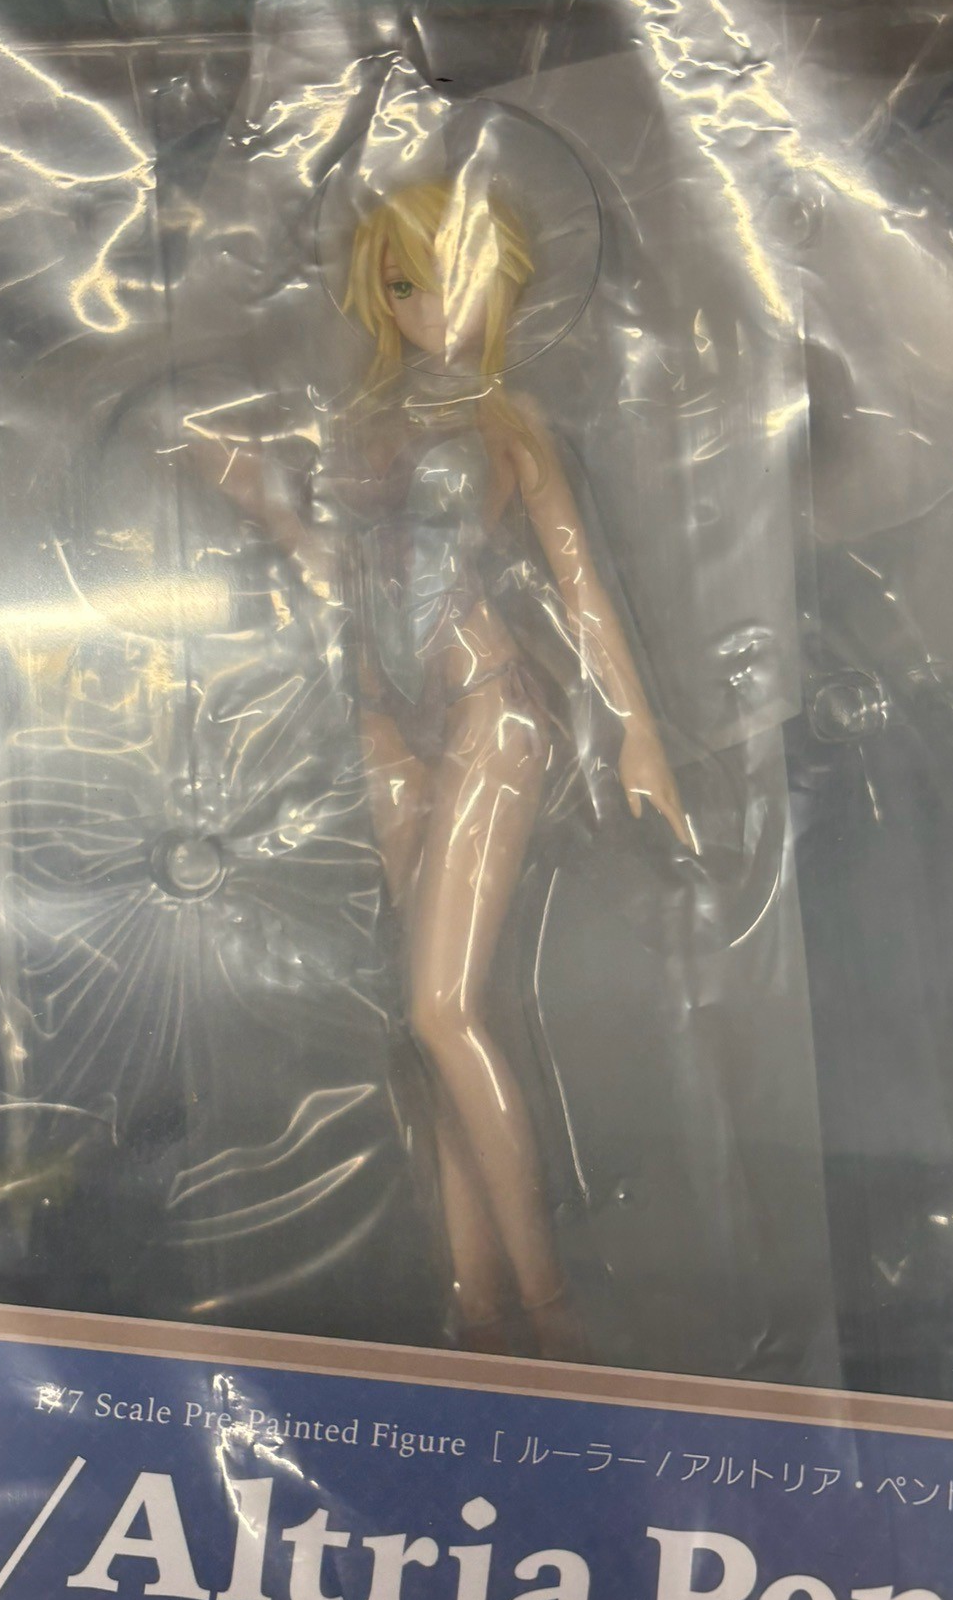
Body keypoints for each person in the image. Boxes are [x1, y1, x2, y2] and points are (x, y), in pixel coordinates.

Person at [201, 175, 690, 1359]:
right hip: (384, 725)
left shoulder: (509, 424)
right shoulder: (353, 422)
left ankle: (549, 1307)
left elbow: (578, 585)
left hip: (487, 710)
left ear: (504, 284)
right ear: (379, 295)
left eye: (456, 278)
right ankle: (475, 1306)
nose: (431, 306)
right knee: (417, 1028)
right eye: (406, 283)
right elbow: (340, 576)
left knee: (441, 1005)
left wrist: (638, 733)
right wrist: (270, 508)